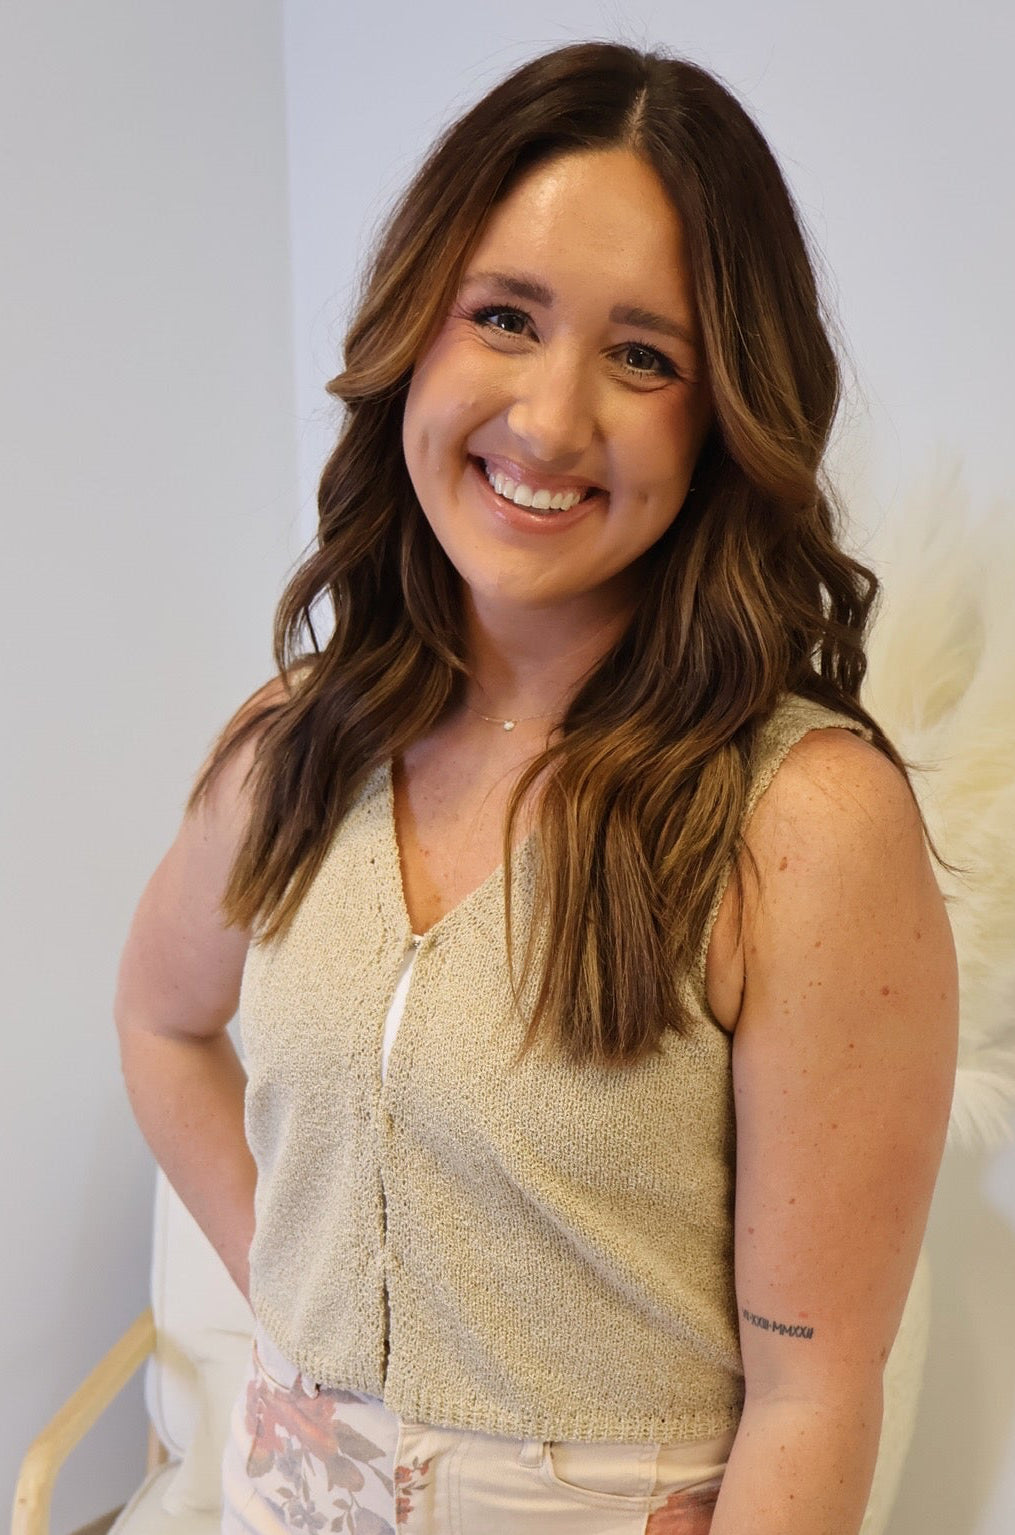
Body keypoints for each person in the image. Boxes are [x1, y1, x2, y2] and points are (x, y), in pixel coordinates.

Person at [114, 40, 959, 1535]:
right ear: (414, 335)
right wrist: (300, 1302)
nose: (553, 424)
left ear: (723, 418)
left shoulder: (801, 823)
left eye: (645, 357)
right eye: (504, 317)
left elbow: (817, 1394)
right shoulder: (297, 742)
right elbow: (162, 1021)